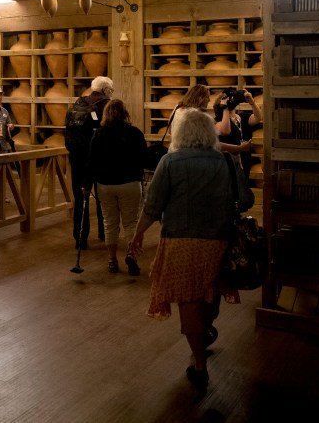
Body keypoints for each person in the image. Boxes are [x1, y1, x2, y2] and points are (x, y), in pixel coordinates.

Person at [128, 108, 241, 398]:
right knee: (210, 293)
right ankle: (205, 332)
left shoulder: (169, 161)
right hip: (217, 239)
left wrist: (138, 234)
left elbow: (153, 205)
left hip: (180, 241)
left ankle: (200, 363)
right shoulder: (226, 161)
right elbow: (249, 198)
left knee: (189, 301)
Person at [84, 99, 147, 274]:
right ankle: (131, 254)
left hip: (105, 185)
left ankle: (112, 260)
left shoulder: (99, 134)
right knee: (131, 222)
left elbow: (91, 162)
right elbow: (143, 158)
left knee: (109, 222)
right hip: (130, 183)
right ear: (125, 113)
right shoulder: (135, 133)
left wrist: (86, 185)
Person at [65, 76, 113, 250]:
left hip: (77, 159)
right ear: (105, 90)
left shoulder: (78, 103)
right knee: (103, 198)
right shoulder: (106, 106)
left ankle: (80, 238)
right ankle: (104, 232)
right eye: (111, 90)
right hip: (99, 160)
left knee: (80, 198)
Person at [214, 86, 263, 165]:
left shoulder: (241, 117)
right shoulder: (218, 121)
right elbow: (225, 130)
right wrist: (225, 108)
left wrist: (252, 102)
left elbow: (258, 118)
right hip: (229, 160)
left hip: (244, 158)